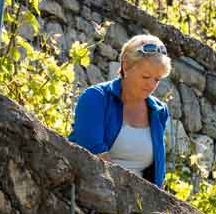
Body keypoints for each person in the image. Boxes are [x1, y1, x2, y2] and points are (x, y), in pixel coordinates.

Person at [68, 34, 172, 188]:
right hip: (94, 189)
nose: (151, 85)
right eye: (146, 76)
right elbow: (92, 151)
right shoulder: (96, 97)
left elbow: (157, 172)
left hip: (141, 202)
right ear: (125, 66)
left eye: (157, 79)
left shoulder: (159, 111)